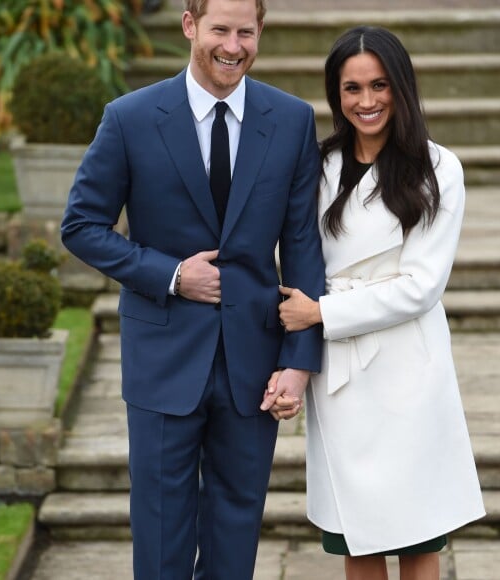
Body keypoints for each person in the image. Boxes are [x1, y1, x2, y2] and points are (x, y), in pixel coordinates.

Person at [61, 0, 325, 578]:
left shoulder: (292, 119)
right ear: (189, 26)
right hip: (161, 359)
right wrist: (173, 275)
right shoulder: (129, 117)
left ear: (261, 33)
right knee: (159, 536)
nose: (233, 46)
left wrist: (299, 362)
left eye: (246, 32)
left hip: (253, 366)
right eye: (219, 30)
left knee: (236, 533)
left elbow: (303, 246)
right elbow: (80, 226)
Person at [266, 26, 486, 580]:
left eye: (380, 85)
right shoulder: (316, 167)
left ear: (401, 87)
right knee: (355, 537)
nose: (366, 102)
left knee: (417, 535)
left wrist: (322, 313)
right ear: (335, 95)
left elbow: (421, 286)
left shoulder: (439, 169)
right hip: (341, 376)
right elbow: (294, 250)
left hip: (406, 371)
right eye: (351, 88)